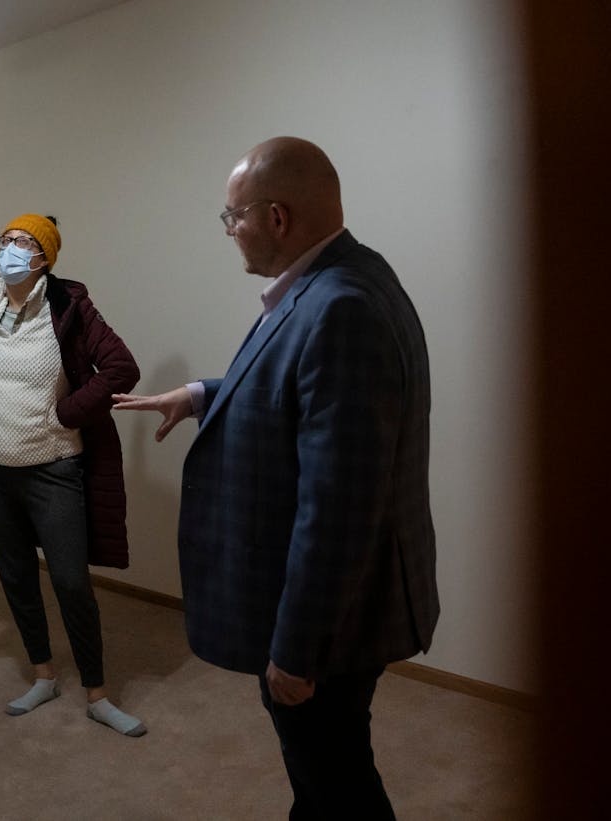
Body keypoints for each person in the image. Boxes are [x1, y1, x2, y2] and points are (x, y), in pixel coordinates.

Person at [113, 138, 438, 816]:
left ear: (277, 217)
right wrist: (203, 394)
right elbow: (303, 390)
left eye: (233, 216)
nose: (230, 231)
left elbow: (338, 506)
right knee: (323, 775)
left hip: (331, 624)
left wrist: (296, 651)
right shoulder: (343, 278)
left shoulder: (339, 305)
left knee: (338, 781)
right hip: (339, 609)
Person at [0, 215, 148, 737]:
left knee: (70, 582)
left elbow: (121, 368)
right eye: (5, 241)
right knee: (16, 574)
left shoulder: (69, 305)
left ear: (44, 257)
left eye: (22, 243)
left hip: (53, 469)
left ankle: (97, 693)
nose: (10, 250)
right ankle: (43, 674)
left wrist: (67, 414)